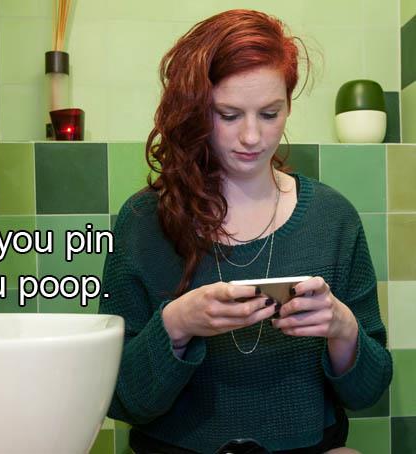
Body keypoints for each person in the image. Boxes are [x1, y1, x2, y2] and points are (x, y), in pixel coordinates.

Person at [98, 9, 393, 454]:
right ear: (196, 111)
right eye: (229, 115)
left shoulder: (334, 219)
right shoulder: (143, 222)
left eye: (270, 113)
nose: (252, 137)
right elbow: (121, 400)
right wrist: (177, 325)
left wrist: (343, 329)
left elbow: (368, 392)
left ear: (289, 106)